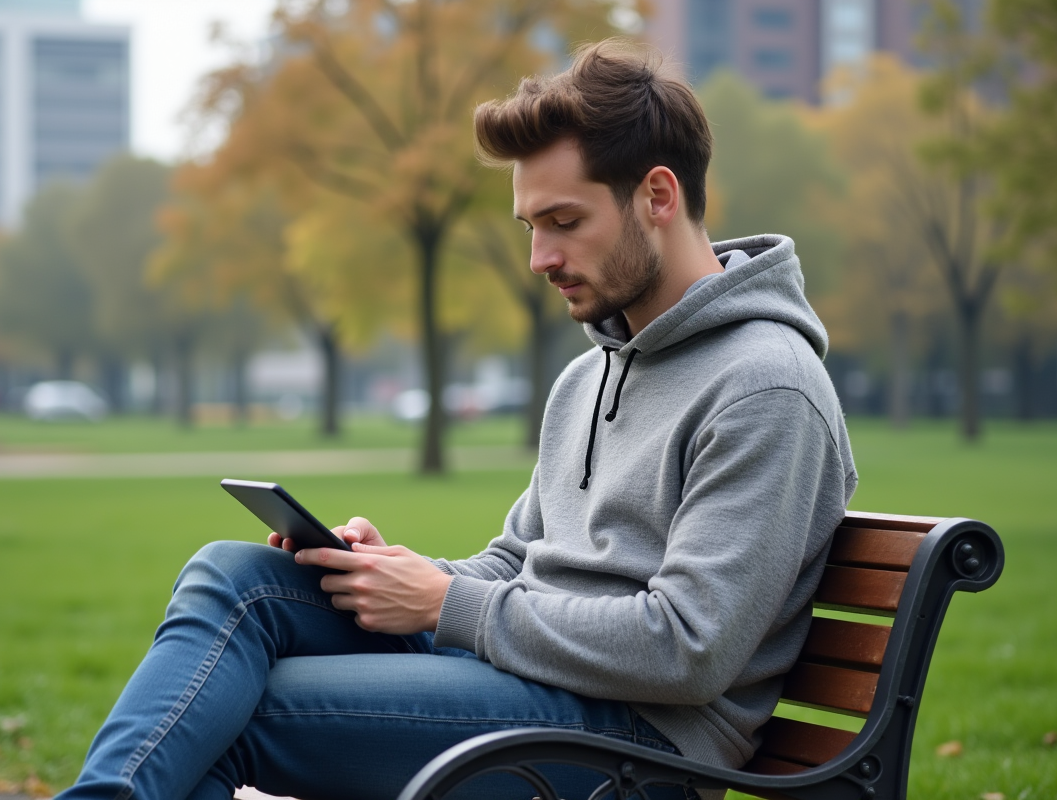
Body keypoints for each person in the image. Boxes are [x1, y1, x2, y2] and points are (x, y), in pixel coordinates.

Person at [56, 39, 856, 800]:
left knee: (238, 709)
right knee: (235, 580)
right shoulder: (589, 376)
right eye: (530, 227)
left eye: (564, 222)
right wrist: (396, 572)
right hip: (539, 683)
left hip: (638, 746)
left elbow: (688, 650)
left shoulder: (766, 388)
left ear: (656, 196)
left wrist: (442, 604)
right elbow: (516, 565)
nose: (539, 257)